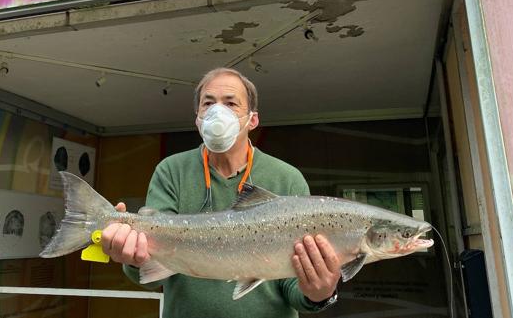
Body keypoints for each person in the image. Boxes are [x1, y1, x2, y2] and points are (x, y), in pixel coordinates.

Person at [101, 68, 341, 318]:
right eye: (208, 103)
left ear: (252, 119)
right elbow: (152, 276)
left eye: (231, 103)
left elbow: (292, 287)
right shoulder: (171, 170)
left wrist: (319, 293)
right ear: (198, 118)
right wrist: (132, 257)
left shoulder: (287, 179)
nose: (218, 111)